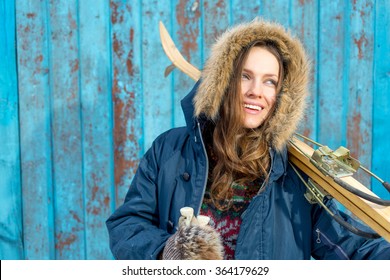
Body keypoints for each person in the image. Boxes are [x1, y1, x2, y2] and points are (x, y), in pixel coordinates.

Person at [106, 18, 390, 260]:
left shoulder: (295, 174)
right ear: (224, 81)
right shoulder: (170, 151)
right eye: (245, 76)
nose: (256, 91)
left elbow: (350, 246)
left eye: (270, 81)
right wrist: (168, 250)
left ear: (281, 94)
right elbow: (126, 225)